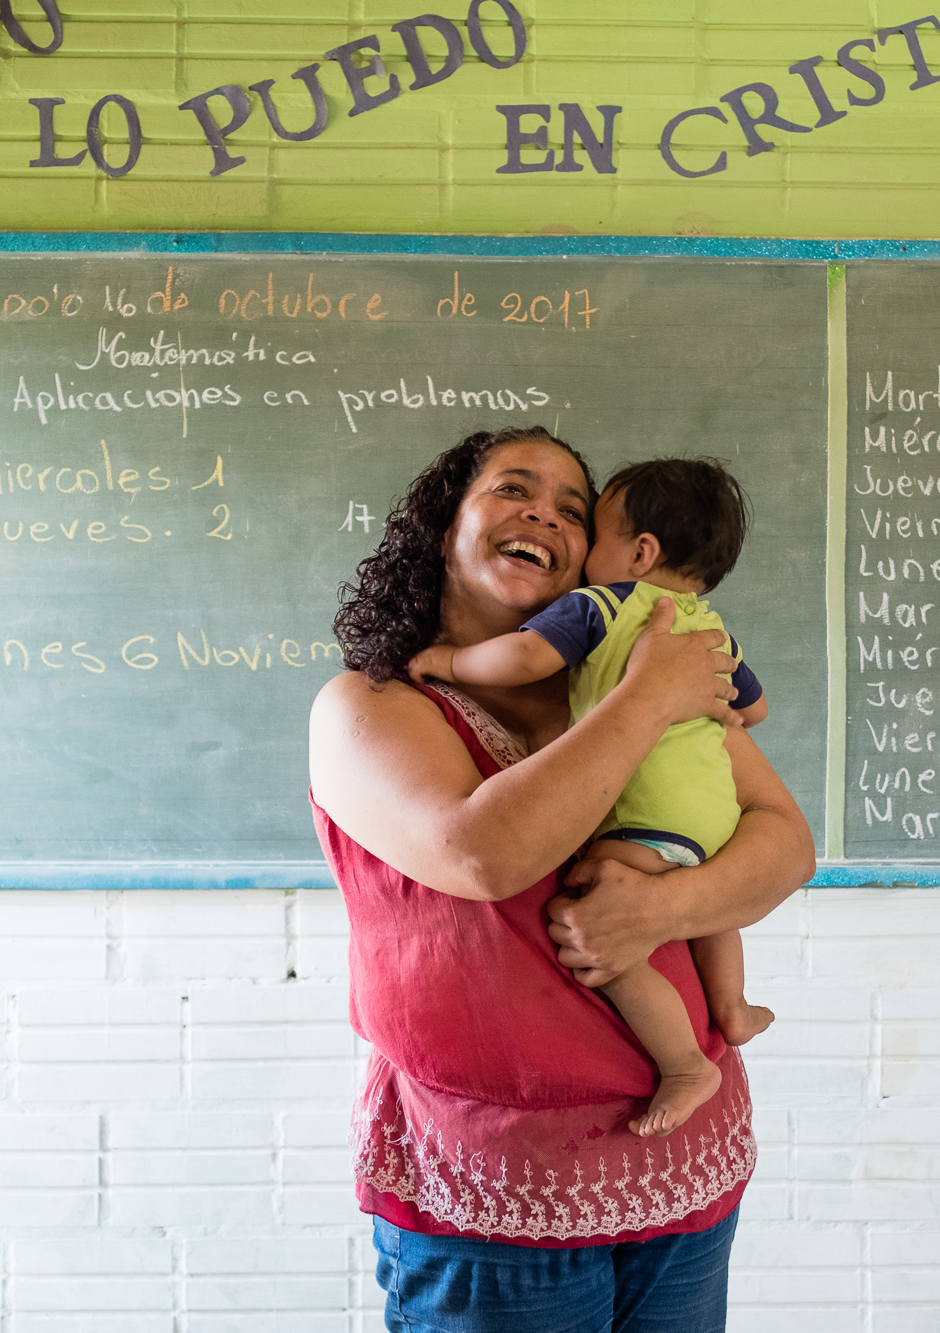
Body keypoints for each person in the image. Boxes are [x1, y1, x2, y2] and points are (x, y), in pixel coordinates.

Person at [308, 426, 814, 1333]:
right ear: (443, 530)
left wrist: (660, 907)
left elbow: (783, 846)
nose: (546, 510)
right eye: (513, 488)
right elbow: (483, 853)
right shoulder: (371, 706)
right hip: (497, 1190)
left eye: (575, 508)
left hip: (680, 1169)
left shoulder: (627, 664)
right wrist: (651, 696)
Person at [409, 457, 775, 1141]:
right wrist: (708, 715)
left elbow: (520, 658)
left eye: (584, 520)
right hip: (710, 811)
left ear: (638, 552)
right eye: (514, 489)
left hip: (648, 813)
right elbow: (753, 708)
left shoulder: (601, 607)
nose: (550, 518)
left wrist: (447, 663)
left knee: (595, 921)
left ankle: (685, 1062)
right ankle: (732, 1005)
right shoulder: (708, 631)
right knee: (706, 898)